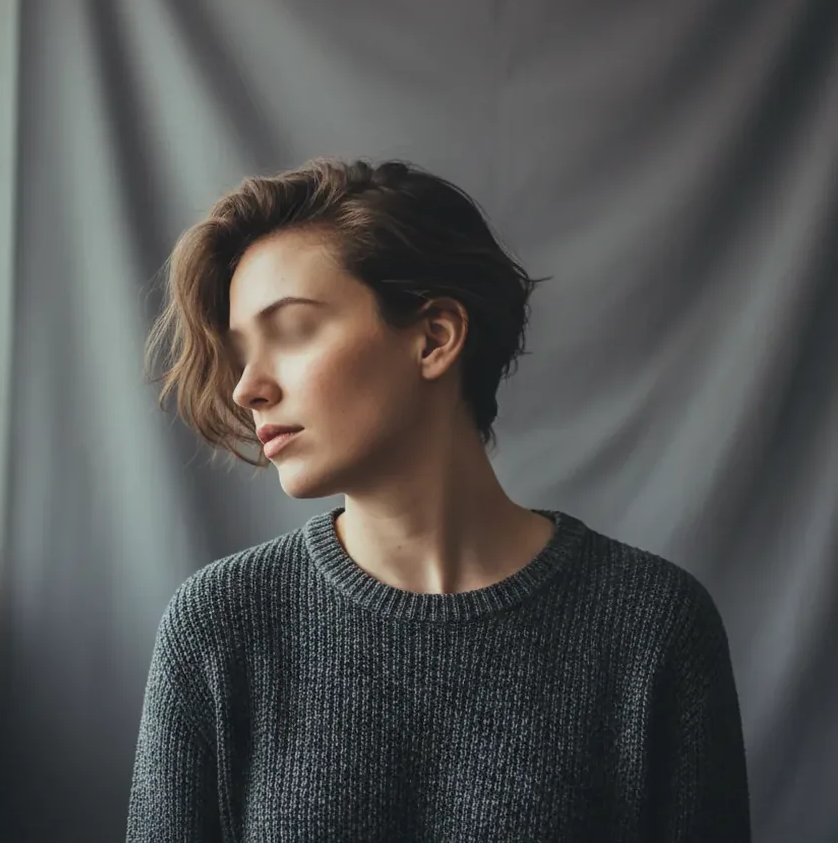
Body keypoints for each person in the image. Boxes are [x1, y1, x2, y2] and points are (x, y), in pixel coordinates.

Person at [127, 156, 751, 842]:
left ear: (435, 337)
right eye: (244, 351)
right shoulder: (219, 626)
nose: (247, 388)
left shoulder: (651, 625)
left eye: (293, 330)